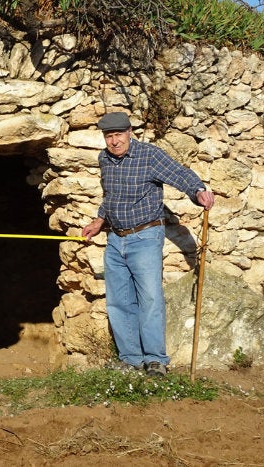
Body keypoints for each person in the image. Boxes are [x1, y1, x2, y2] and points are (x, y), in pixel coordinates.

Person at [82, 111, 214, 376]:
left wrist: (198, 190)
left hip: (145, 237)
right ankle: (131, 359)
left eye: (118, 135)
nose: (114, 142)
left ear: (130, 132)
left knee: (151, 298)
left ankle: (155, 360)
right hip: (115, 239)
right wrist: (99, 220)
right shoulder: (104, 159)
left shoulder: (149, 155)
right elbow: (109, 196)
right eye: (109, 136)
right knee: (118, 301)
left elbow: (179, 173)